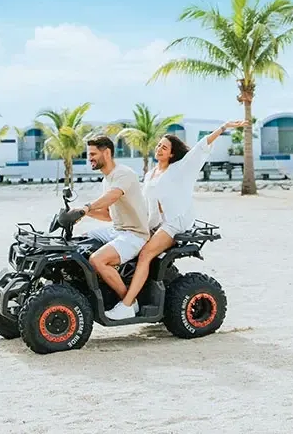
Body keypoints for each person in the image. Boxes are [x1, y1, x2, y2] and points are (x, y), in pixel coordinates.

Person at [104, 119, 246, 320]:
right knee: (130, 247)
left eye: (164, 147)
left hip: (174, 222)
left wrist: (223, 128)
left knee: (145, 255)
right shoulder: (151, 173)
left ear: (172, 153)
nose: (159, 149)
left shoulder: (180, 168)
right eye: (159, 145)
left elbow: (200, 148)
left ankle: (127, 305)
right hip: (155, 223)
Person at [62, 135, 151, 311]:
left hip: (135, 234)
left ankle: (129, 303)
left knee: (98, 260)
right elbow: (109, 215)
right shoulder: (107, 179)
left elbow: (113, 196)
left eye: (93, 154)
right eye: (89, 155)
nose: (89, 159)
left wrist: (87, 207)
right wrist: (80, 213)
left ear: (107, 153)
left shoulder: (123, 173)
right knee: (80, 241)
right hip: (116, 230)